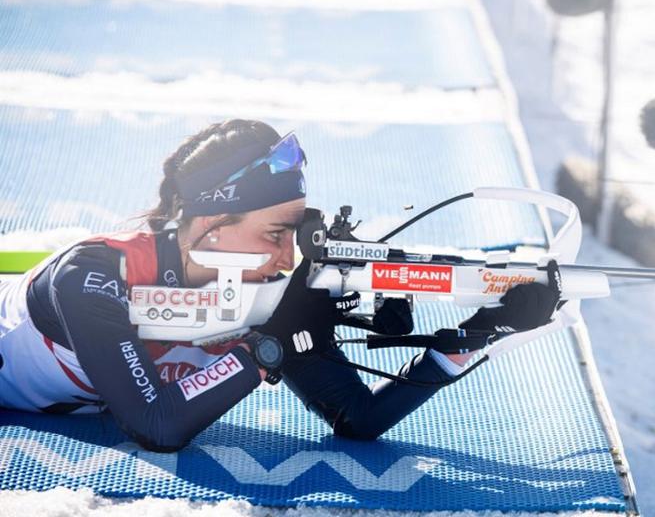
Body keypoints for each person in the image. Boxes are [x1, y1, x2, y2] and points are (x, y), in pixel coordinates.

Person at [0, 119, 560, 452]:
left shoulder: (263, 290)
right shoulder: (95, 276)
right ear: (212, 226)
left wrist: (477, 333)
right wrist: (263, 350)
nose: (288, 258)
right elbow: (158, 425)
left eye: (294, 235)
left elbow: (357, 419)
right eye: (275, 234)